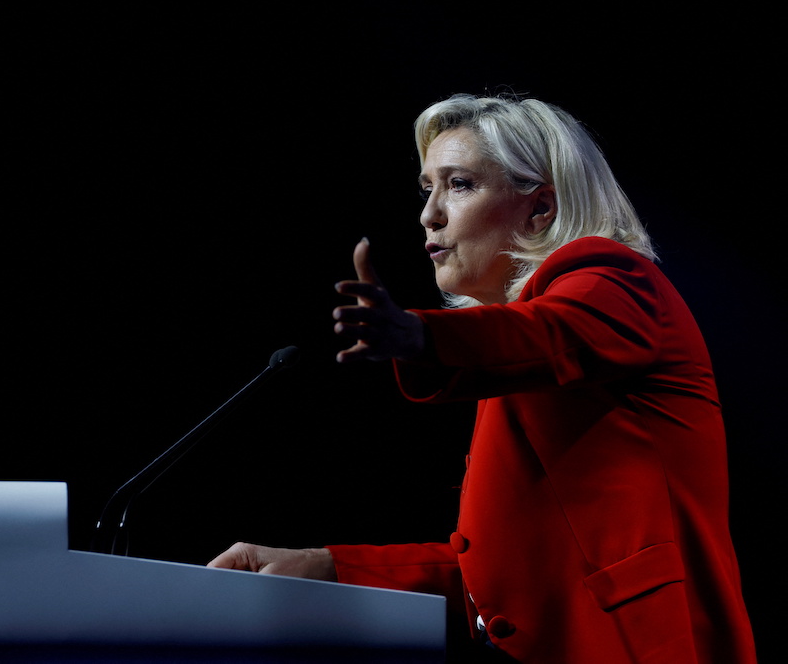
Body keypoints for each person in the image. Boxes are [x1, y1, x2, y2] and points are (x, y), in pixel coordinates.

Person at [207, 93, 756, 663]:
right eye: (427, 188)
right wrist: (323, 566)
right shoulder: (512, 361)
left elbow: (548, 334)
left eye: (460, 184)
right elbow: (494, 580)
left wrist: (419, 335)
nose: (429, 214)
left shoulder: (613, 281)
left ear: (540, 209)